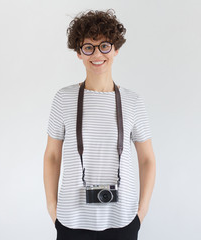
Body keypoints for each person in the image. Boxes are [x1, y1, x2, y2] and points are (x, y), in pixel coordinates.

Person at [43, 9, 156, 240]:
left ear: (115, 49)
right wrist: (53, 208)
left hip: (123, 220)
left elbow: (147, 159)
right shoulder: (63, 98)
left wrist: (141, 212)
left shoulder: (133, 101)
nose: (97, 54)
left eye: (104, 45)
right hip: (71, 221)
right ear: (79, 53)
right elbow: (52, 156)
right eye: (88, 47)